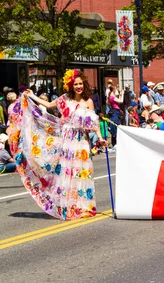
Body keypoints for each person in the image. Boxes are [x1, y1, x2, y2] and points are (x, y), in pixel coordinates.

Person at [7, 69, 108, 220]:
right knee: (68, 173)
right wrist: (32, 96)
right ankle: (68, 207)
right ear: (71, 85)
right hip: (67, 140)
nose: (78, 86)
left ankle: (83, 207)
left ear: (84, 84)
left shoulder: (88, 102)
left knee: (81, 173)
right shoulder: (65, 99)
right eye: (76, 84)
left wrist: (100, 138)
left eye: (80, 84)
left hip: (81, 142)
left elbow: (93, 123)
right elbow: (48, 105)